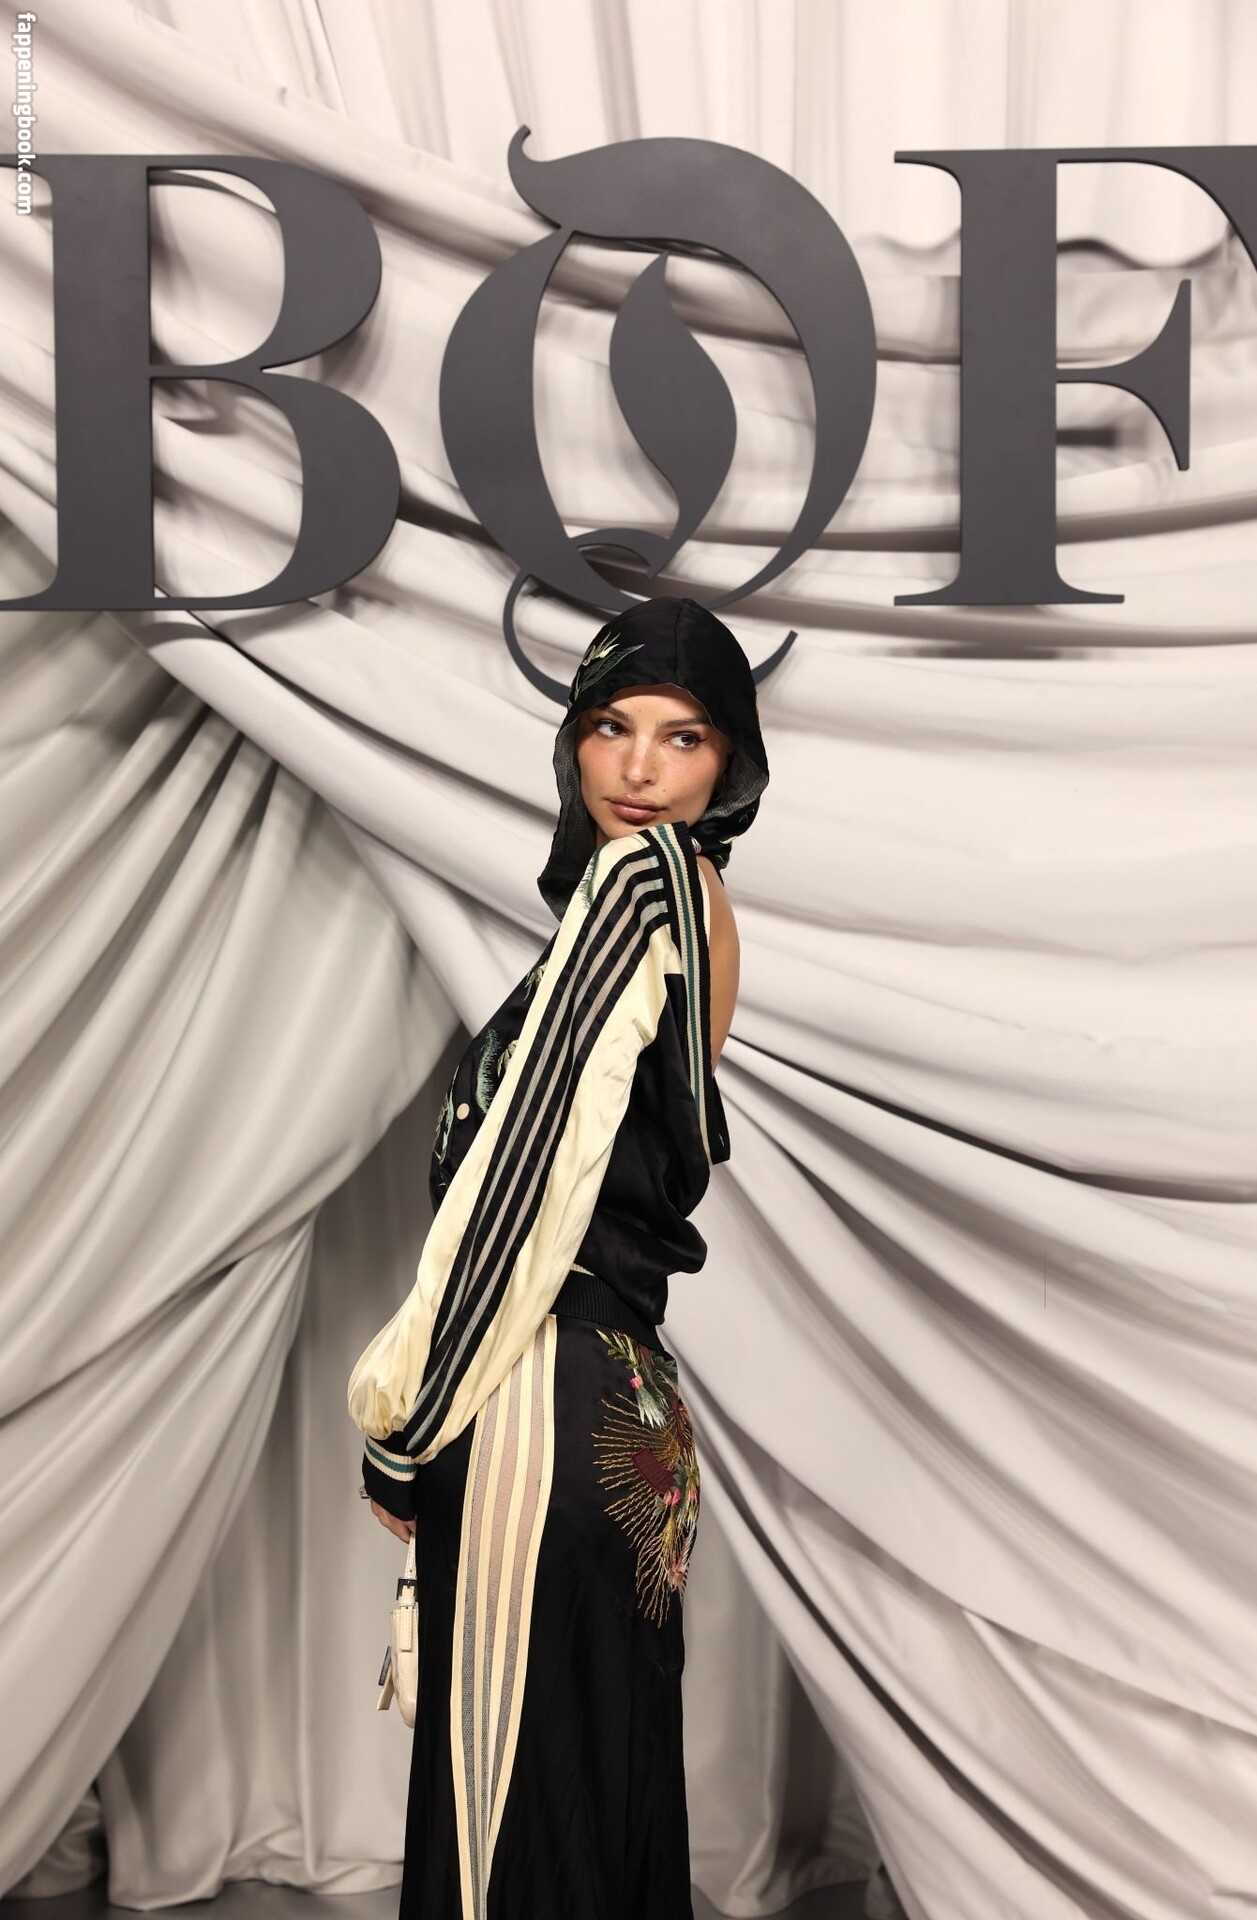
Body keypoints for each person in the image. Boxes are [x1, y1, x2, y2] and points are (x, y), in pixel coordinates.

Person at [347, 595, 770, 1920]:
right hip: (628, 1404)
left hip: (539, 1390)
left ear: (729, 763)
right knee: (597, 1807)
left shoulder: (638, 885)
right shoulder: (699, 906)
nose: (639, 768)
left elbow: (526, 1181)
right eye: (610, 727)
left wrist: (409, 1421)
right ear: (573, 741)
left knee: (509, 1836)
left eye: (683, 737)